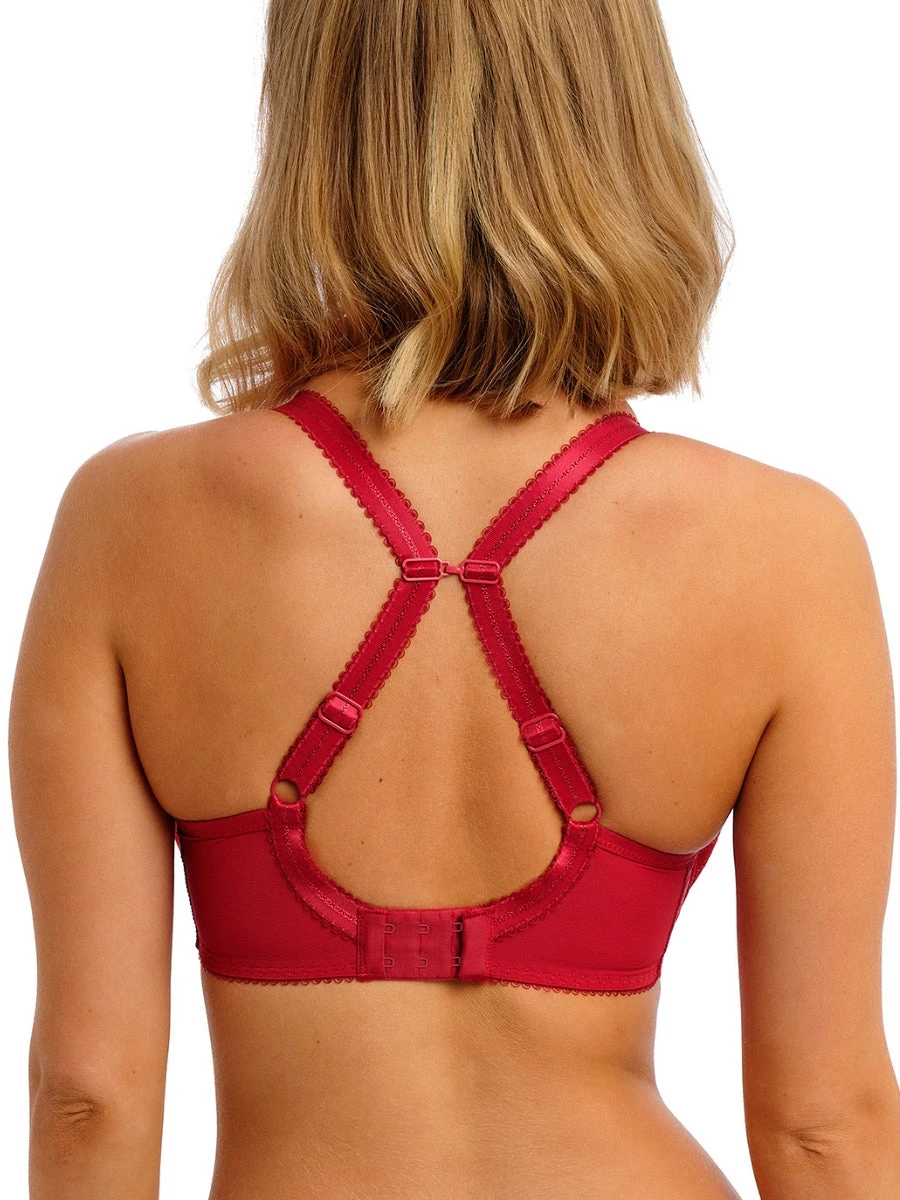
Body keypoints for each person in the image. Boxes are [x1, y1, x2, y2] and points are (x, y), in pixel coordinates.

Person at [9, 0, 900, 1197]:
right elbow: (824, 1125)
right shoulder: (784, 547)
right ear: (617, 119)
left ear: (319, 121)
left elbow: (89, 1092)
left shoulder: (134, 520)